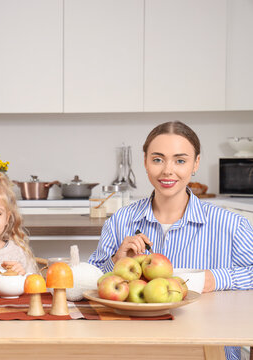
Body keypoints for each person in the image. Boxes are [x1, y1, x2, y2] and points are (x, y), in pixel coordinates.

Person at [88, 121, 253, 360]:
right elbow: (90, 281)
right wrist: (116, 262)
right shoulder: (121, 220)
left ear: (195, 163)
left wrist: (213, 279)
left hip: (207, 352)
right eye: (157, 159)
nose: (167, 170)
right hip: (133, 350)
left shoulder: (231, 225)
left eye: (180, 160)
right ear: (145, 162)